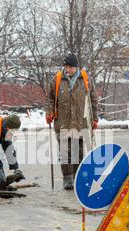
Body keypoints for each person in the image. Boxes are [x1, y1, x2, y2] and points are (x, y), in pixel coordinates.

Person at [46, 53, 98, 190]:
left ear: (76, 67)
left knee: (78, 151)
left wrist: (95, 118)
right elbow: (50, 99)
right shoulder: (57, 80)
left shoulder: (85, 79)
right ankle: (67, 178)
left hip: (80, 121)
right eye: (65, 67)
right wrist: (49, 112)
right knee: (65, 151)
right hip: (62, 121)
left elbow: (93, 100)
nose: (67, 70)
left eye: (70, 67)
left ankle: (77, 176)